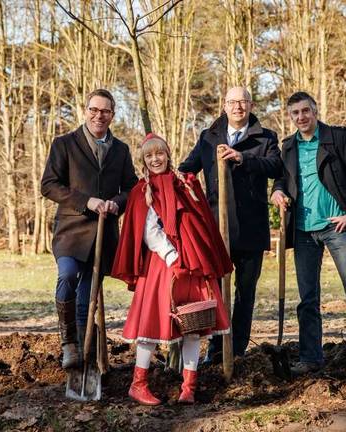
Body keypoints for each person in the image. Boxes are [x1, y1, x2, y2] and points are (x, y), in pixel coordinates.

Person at [112, 133, 233, 405]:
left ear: (168, 154)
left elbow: (200, 223)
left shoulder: (184, 184)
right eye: (149, 156)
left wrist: (202, 257)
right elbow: (149, 231)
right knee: (153, 323)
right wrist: (171, 256)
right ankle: (138, 384)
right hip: (163, 266)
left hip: (193, 264)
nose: (156, 159)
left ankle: (189, 386)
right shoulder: (142, 190)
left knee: (194, 323)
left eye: (160, 154)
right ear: (143, 160)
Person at [271, 91, 346, 374]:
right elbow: (281, 180)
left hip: (336, 226)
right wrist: (277, 192)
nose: (301, 117)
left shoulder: (337, 138)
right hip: (303, 232)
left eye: (305, 111)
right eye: (295, 113)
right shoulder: (288, 147)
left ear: (315, 110)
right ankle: (310, 359)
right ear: (290, 116)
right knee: (308, 298)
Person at [178, 86, 283, 364]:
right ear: (224, 106)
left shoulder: (266, 137)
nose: (238, 106)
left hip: (251, 228)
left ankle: (236, 351)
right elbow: (187, 169)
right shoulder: (208, 137)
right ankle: (215, 352)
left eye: (244, 101)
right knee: (217, 295)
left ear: (250, 105)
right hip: (217, 230)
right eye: (233, 102)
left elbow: (276, 167)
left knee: (245, 293)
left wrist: (242, 158)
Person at [41, 89, 138, 369]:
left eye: (105, 111)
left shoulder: (120, 150)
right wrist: (88, 201)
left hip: (103, 234)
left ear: (112, 115)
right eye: (94, 110)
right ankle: (68, 342)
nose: (99, 116)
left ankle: (83, 358)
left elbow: (131, 188)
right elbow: (49, 185)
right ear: (86, 111)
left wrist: (115, 204)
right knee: (68, 276)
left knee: (87, 296)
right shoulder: (65, 144)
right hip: (71, 230)